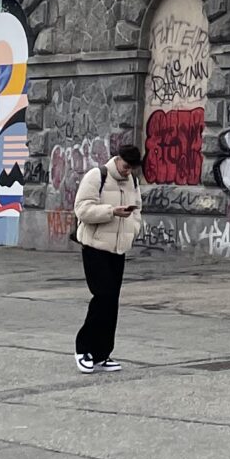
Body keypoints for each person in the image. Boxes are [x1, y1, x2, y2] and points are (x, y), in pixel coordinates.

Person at [71, 142, 147, 373]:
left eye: (132, 168)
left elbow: (138, 209)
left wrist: (133, 229)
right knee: (102, 296)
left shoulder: (133, 181)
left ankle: (102, 354)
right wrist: (111, 212)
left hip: (118, 249)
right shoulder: (97, 176)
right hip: (95, 246)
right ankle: (83, 348)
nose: (127, 171)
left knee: (112, 301)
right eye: (125, 166)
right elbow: (81, 209)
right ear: (118, 159)